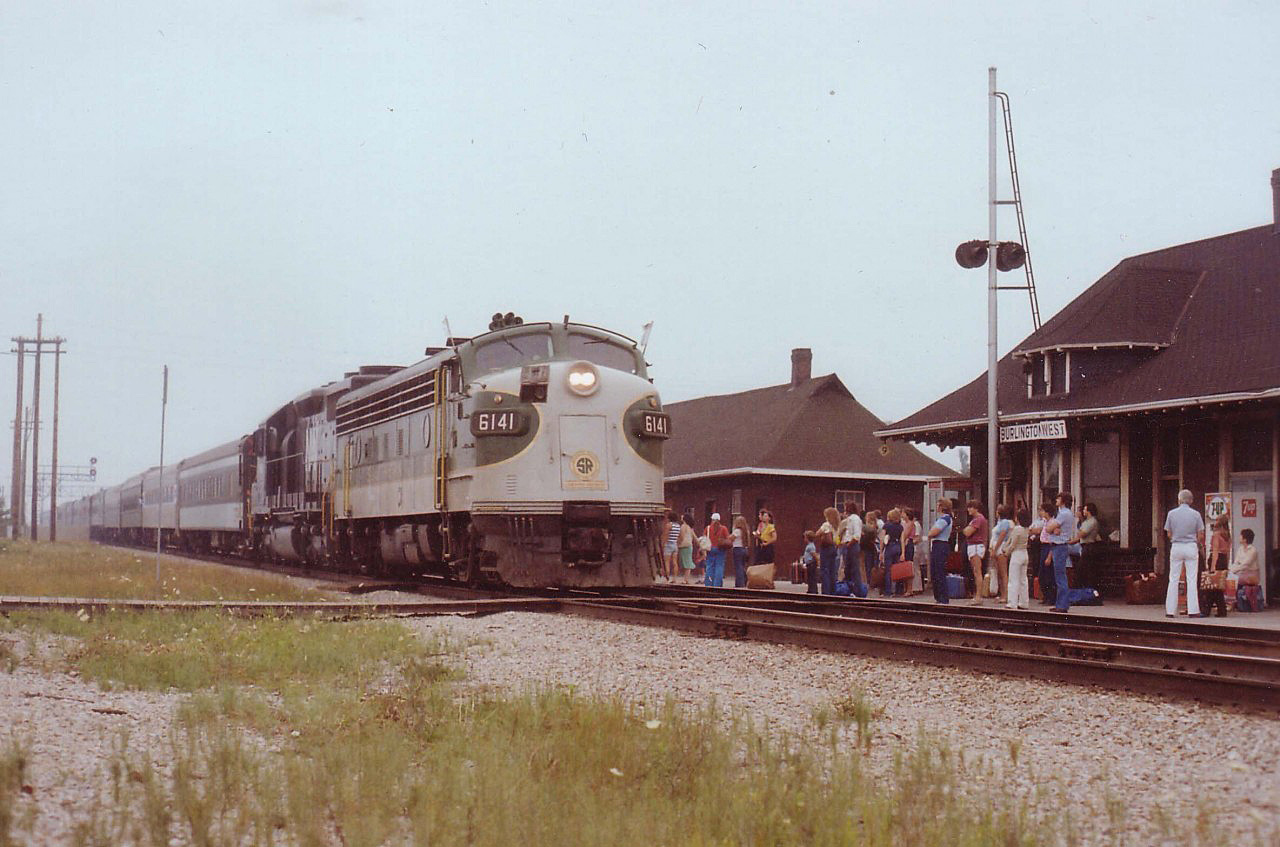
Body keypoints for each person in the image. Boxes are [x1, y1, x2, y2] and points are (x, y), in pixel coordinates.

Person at [1163, 489, 1205, 618]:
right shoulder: (1196, 514)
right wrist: (1195, 543)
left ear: (1179, 499)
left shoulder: (1171, 514)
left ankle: (1170, 610)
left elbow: (1168, 533)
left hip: (1176, 546)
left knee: (1173, 578)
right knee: (1191, 579)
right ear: (1191, 501)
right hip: (1191, 546)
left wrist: (1175, 540)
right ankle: (1193, 610)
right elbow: (1201, 534)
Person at [1046, 492, 1078, 614]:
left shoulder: (1064, 514)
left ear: (1063, 500)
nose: (1056, 500)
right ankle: (1060, 603)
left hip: (1059, 546)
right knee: (1059, 575)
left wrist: (1053, 529)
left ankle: (1062, 604)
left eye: (1058, 498)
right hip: (1058, 546)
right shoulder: (1063, 514)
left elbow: (1048, 528)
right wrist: (1054, 529)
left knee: (1060, 576)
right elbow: (1051, 528)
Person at [1001, 508, 1032, 610]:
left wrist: (1006, 552)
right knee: (1023, 579)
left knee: (1013, 579)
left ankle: (1012, 603)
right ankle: (1024, 602)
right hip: (1025, 554)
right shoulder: (1027, 529)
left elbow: (1012, 544)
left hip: (1017, 554)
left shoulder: (1017, 529)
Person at [961, 501, 989, 605]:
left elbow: (967, 532)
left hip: (976, 546)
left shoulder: (978, 519)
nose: (968, 510)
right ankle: (977, 595)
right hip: (974, 546)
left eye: (970, 507)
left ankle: (978, 597)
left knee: (977, 572)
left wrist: (965, 529)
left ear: (976, 508)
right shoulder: (977, 519)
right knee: (976, 572)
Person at [927, 499, 955, 604]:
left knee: (939, 571)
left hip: (940, 544)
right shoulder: (942, 519)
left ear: (942, 507)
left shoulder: (945, 519)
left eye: (938, 505)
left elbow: (933, 532)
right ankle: (938, 596)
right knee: (935, 571)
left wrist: (930, 533)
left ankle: (942, 597)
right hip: (937, 544)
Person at [1073, 503, 1102, 589]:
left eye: (1085, 510)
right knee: (1084, 569)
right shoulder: (1086, 522)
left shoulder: (1092, 521)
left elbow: (1082, 534)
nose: (1083, 511)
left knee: (1084, 569)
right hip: (1085, 546)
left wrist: (1079, 533)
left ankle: (1089, 590)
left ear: (1089, 511)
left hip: (1089, 547)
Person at [838, 508, 865, 592]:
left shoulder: (855, 519)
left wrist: (848, 544)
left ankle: (857, 590)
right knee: (848, 569)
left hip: (852, 545)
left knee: (854, 568)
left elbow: (856, 535)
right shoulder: (850, 519)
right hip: (849, 544)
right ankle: (849, 589)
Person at [990, 504, 1012, 603]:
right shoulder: (999, 522)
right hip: (996, 546)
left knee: (1003, 572)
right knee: (999, 572)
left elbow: (1002, 536)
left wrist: (995, 549)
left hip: (1001, 547)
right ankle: (1002, 593)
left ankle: (1005, 595)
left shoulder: (1005, 523)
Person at [817, 507, 841, 595]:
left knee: (824, 570)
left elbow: (818, 533)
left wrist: (821, 534)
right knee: (832, 570)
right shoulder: (837, 525)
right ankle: (832, 591)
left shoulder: (826, 524)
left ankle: (825, 591)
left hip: (826, 548)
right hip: (834, 548)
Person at [704, 512, 730, 588]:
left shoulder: (708, 528)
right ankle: (717, 584)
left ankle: (709, 583)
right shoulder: (723, 528)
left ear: (712, 519)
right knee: (719, 566)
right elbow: (727, 539)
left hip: (710, 549)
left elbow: (704, 539)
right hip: (720, 549)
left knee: (709, 567)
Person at [882, 508, 904, 595]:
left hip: (889, 546)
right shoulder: (900, 527)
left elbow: (882, 539)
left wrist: (881, 551)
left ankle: (888, 591)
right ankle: (898, 590)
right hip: (897, 546)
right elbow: (902, 540)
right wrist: (903, 552)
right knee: (897, 569)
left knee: (888, 570)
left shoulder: (886, 526)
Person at [860, 510, 881, 595]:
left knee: (868, 566)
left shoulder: (868, 527)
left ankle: (869, 583)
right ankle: (871, 582)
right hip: (872, 548)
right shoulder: (875, 526)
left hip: (867, 547)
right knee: (872, 565)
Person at [731, 515, 751, 588]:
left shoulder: (737, 531)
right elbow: (748, 542)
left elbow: (731, 538)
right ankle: (744, 582)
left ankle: (740, 583)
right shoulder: (746, 531)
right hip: (744, 549)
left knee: (738, 567)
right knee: (742, 566)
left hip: (737, 549)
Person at [676, 514, 697, 584]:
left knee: (686, 563)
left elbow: (681, 536)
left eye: (682, 516)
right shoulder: (690, 528)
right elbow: (695, 537)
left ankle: (685, 579)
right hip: (689, 546)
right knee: (687, 562)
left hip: (684, 546)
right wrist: (700, 545)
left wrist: (678, 543)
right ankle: (686, 579)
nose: (681, 517)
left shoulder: (683, 526)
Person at [661, 511, 681, 582]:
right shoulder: (678, 526)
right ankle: (674, 578)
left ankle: (667, 578)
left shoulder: (668, 525)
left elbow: (665, 535)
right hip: (675, 545)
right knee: (675, 562)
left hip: (668, 545)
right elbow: (679, 536)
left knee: (667, 562)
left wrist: (662, 544)